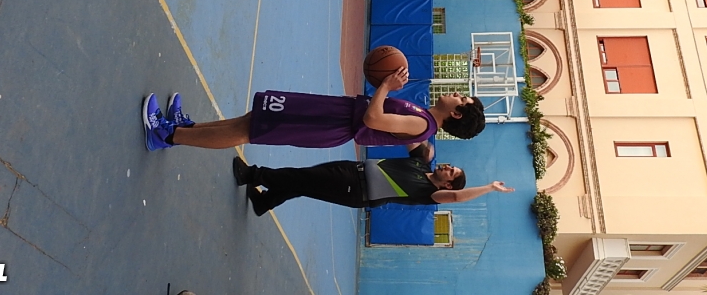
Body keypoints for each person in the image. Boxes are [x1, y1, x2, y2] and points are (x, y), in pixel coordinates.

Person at [140, 68, 486, 151]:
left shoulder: (422, 127)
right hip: (333, 112)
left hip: (331, 124)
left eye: (462, 99)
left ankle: (167, 136)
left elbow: (373, 119)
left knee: (249, 131)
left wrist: (385, 86)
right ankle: (185, 128)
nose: (457, 93)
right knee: (253, 118)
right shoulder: (423, 115)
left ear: (456, 114)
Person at [232, 141, 515, 216]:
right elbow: (414, 136)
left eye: (451, 172)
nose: (448, 167)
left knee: (303, 178)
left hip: (355, 190)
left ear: (448, 183)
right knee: (305, 182)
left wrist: (489, 187)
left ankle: (253, 175)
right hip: (352, 170)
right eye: (451, 165)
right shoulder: (421, 163)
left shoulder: (430, 193)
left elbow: (455, 197)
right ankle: (265, 202)